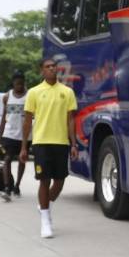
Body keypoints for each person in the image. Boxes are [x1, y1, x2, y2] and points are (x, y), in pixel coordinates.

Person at [20, 58, 77, 238]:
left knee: (59, 182)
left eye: (54, 66)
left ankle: (45, 205)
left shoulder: (67, 92)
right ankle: (45, 221)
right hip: (41, 143)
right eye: (48, 67)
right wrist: (24, 147)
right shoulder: (34, 92)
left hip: (61, 143)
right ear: (42, 71)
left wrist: (74, 144)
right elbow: (27, 122)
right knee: (44, 180)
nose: (52, 69)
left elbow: (71, 120)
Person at [0, 71, 29, 198]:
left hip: (24, 135)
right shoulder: (7, 96)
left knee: (22, 160)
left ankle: (17, 185)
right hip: (9, 134)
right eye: (17, 84)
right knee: (7, 159)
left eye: (21, 83)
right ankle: (7, 187)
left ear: (24, 82)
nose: (19, 86)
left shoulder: (29, 96)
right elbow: (4, 117)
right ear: (13, 83)